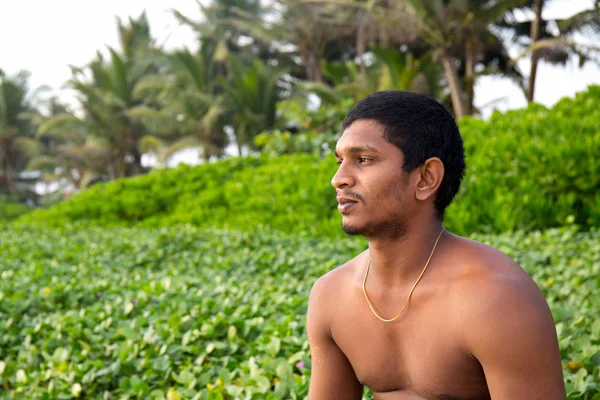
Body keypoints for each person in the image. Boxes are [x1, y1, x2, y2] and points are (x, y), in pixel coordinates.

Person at [306, 91, 566, 399]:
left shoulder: (497, 297)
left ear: (426, 178)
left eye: (363, 160)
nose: (339, 179)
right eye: (340, 161)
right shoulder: (331, 295)